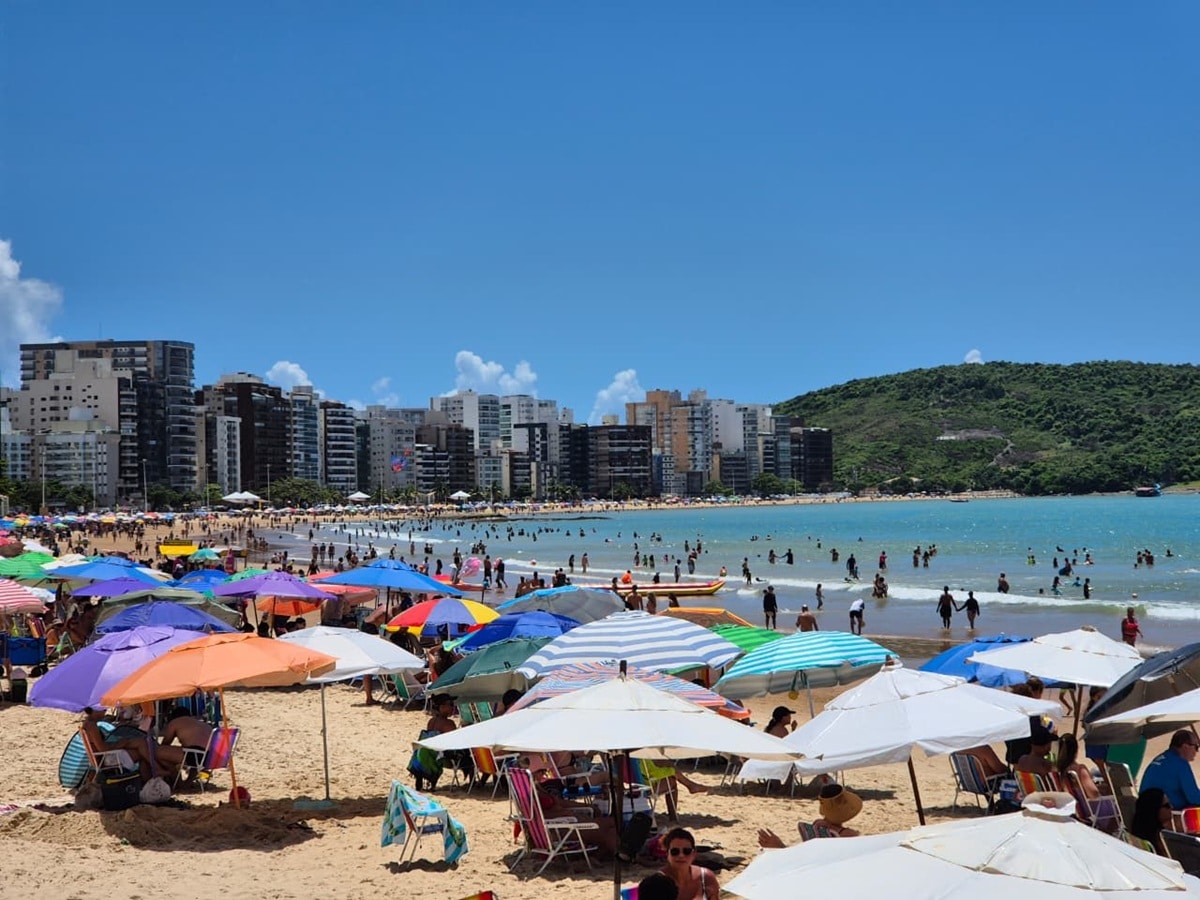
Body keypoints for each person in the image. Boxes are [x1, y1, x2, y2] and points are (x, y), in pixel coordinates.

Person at [1055, 733, 1118, 832]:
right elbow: (1093, 794)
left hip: (1078, 809)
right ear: (1076, 750)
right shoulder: (1079, 769)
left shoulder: (1059, 769)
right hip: (1091, 811)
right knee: (1120, 805)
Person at [1140, 730, 1200, 811]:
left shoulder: (1162, 758)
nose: (1197, 751)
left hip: (1144, 809)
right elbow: (1194, 797)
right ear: (1185, 746)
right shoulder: (1180, 764)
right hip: (1162, 814)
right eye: (1196, 747)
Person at [160, 706, 215, 784]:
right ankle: (188, 782)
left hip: (195, 755)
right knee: (190, 750)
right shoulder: (201, 723)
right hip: (211, 758)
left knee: (159, 753)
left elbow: (165, 744)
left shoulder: (175, 722)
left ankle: (177, 780)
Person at [660, 827, 719, 900]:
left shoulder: (706, 877)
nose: (681, 855)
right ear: (667, 854)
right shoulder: (656, 883)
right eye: (675, 851)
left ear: (694, 854)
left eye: (686, 851)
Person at [1130, 787, 1172, 856]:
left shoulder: (1139, 836)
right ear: (1155, 809)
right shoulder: (1157, 839)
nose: (1171, 807)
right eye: (1167, 805)